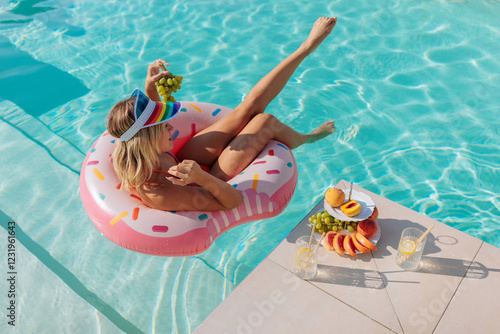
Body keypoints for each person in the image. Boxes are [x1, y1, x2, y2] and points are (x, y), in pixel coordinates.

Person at [107, 17, 337, 212]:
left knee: (249, 107)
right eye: (163, 127)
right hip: (204, 181)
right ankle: (309, 139)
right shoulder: (160, 192)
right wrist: (202, 177)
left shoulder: (131, 143)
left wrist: (149, 90)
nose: (172, 128)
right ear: (146, 140)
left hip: (185, 162)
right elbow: (233, 202)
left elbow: (139, 126)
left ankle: (306, 48)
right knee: (265, 122)